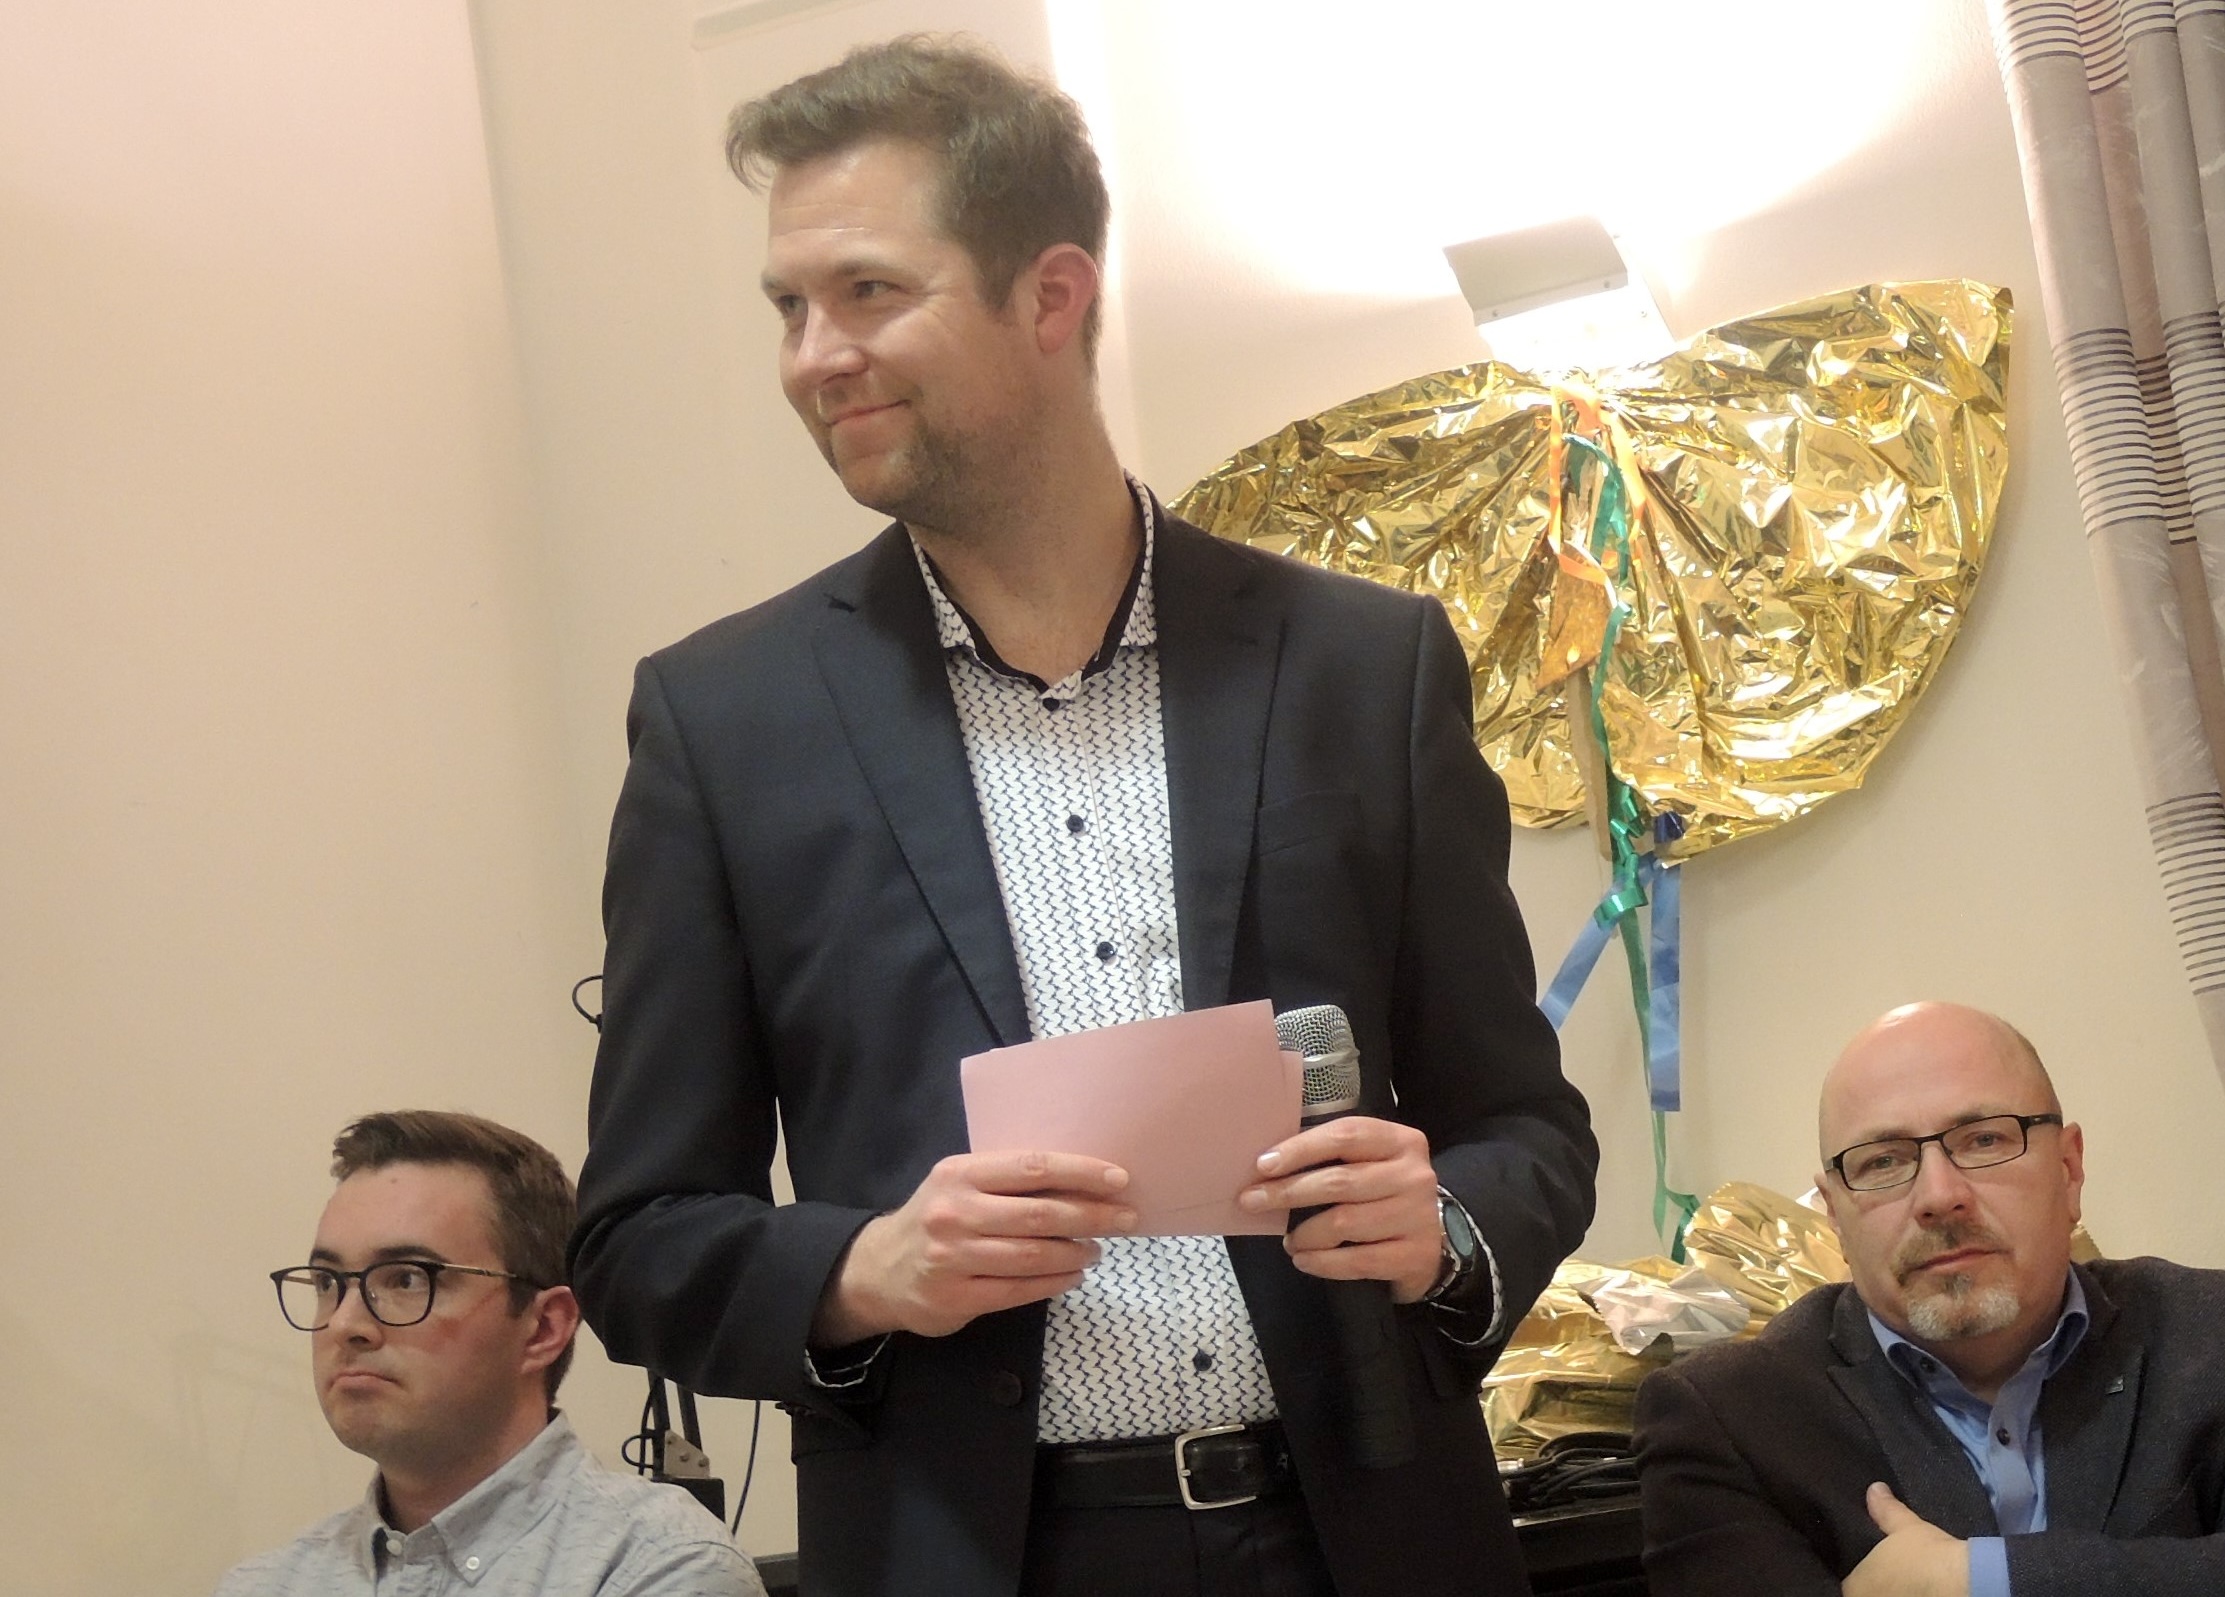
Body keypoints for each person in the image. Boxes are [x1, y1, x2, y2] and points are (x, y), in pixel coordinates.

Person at [568, 35, 1597, 1597]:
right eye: (788, 307)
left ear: (1049, 297)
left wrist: (1443, 1224)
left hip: (1365, 1539)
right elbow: (636, 1239)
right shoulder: (724, 727)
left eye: (867, 292)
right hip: (977, 1554)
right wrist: (862, 1268)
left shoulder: (1361, 667)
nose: (814, 356)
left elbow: (1527, 1128)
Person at [1633, 1001, 2225, 1597]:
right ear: (1835, 1214)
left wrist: (1982, 1579)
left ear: (2068, 1171)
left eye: (1985, 1139)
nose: (1939, 1196)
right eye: (1883, 1161)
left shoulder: (2209, 1334)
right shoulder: (1728, 1419)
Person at [216, 1111, 763, 1597]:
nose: (345, 1324)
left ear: (543, 1328)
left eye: (406, 1279)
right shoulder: (265, 1585)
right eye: (327, 1281)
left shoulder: (662, 1567)